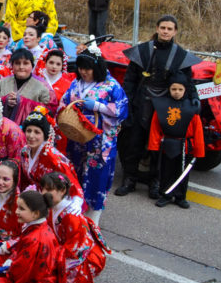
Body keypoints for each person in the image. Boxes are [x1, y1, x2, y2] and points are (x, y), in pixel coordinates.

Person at [117, 15, 198, 199]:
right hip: (141, 102)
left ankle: (155, 183)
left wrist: (194, 98)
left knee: (157, 148)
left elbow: (188, 82)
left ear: (175, 31)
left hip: (165, 107)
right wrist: (126, 101)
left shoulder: (180, 55)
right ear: (157, 28)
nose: (166, 31)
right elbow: (130, 79)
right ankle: (129, 180)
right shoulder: (143, 50)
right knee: (133, 144)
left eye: (170, 29)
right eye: (163, 27)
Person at [59, 49, 129, 223]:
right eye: (81, 68)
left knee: (97, 175)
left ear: (96, 68)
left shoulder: (111, 85)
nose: (84, 72)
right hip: (77, 134)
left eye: (88, 69)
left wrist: (98, 106)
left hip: (100, 138)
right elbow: (66, 100)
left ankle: (93, 215)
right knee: (75, 171)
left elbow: (122, 110)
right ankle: (73, 209)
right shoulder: (76, 83)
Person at [40, 171, 108, 283]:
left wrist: (51, 259)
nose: (43, 193)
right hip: (65, 250)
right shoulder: (54, 207)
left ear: (62, 190)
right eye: (43, 189)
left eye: (49, 189)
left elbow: (76, 250)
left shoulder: (71, 216)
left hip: (83, 256)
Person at [147, 73, 204, 208]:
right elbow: (155, 128)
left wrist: (198, 151)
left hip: (185, 146)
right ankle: (165, 194)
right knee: (166, 171)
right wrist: (154, 147)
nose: (177, 92)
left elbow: (198, 131)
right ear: (169, 89)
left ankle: (180, 196)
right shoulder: (162, 106)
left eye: (180, 89)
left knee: (183, 172)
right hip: (167, 143)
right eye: (174, 89)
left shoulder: (191, 107)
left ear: (185, 90)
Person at [18, 109, 83, 200]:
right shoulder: (24, 151)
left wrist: (76, 198)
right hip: (32, 198)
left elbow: (70, 181)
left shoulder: (54, 157)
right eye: (29, 131)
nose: (31, 136)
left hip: (52, 200)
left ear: (44, 135)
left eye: (37, 132)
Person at [0, 49, 55, 125]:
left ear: (32, 66)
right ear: (12, 65)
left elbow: (49, 110)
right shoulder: (2, 83)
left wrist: (22, 101)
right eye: (17, 63)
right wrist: (5, 100)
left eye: (26, 63)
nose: (21, 67)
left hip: (30, 130)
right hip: (2, 128)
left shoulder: (42, 86)